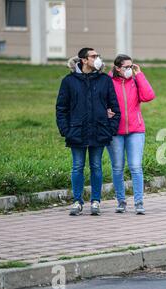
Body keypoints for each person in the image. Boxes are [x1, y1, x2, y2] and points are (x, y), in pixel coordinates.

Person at [56, 47, 121, 216]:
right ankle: (77, 201)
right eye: (94, 56)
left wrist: (110, 128)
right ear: (84, 60)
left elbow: (115, 107)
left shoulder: (104, 80)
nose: (97, 58)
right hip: (76, 131)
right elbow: (61, 108)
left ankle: (96, 201)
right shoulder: (69, 81)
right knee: (77, 166)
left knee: (96, 166)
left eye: (98, 55)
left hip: (99, 130)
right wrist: (66, 130)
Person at [106, 54, 155, 214]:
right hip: (115, 131)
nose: (129, 69)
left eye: (131, 66)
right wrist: (105, 111)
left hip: (136, 130)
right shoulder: (108, 82)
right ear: (117, 68)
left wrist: (139, 74)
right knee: (118, 167)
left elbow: (148, 96)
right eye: (126, 67)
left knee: (135, 166)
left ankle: (139, 202)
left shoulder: (134, 80)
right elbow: (99, 100)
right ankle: (121, 201)